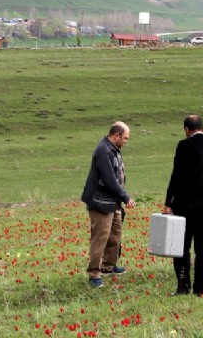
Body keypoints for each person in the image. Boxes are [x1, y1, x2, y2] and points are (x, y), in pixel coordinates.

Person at [163, 115, 203, 297]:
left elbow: (176, 177)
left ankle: (183, 287)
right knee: (202, 247)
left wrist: (169, 202)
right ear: (202, 127)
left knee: (182, 248)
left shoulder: (183, 147)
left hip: (185, 207)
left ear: (186, 129)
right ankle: (201, 288)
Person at [81, 121, 136, 288]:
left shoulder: (113, 149)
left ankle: (109, 266)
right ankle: (94, 273)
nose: (126, 141)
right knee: (101, 237)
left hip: (113, 202)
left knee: (115, 235)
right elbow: (109, 179)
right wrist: (125, 197)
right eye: (125, 138)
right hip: (100, 201)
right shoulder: (103, 151)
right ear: (116, 135)